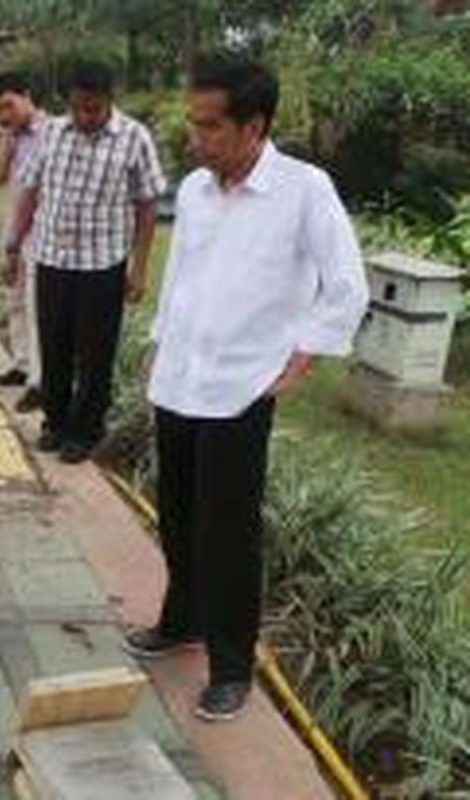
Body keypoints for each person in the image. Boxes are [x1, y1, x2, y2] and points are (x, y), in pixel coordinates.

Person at [124, 55, 369, 722]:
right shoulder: (199, 190)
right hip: (181, 378)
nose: (196, 139)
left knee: (227, 531)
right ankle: (182, 620)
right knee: (176, 512)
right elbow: (183, 277)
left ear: (254, 125)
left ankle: (232, 666)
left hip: (240, 389)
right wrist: (156, 341)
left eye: (210, 127)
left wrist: (309, 350)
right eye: (193, 124)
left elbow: (347, 284)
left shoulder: (304, 190)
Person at [9, 61, 167, 464]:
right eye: (77, 108)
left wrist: (140, 266)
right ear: (68, 102)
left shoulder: (135, 138)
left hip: (103, 265)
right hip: (52, 258)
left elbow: (148, 205)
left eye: (93, 110)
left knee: (95, 354)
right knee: (55, 345)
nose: (84, 118)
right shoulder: (51, 133)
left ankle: (85, 430)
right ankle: (55, 423)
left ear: (110, 101)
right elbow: (28, 192)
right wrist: (12, 245)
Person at [0, 72, 46, 415]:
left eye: (9, 104)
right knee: (15, 301)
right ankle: (21, 364)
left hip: (40, 234)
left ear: (27, 94)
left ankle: (39, 381)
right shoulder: (10, 135)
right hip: (12, 230)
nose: (4, 114)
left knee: (38, 308)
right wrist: (7, 141)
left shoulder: (52, 132)